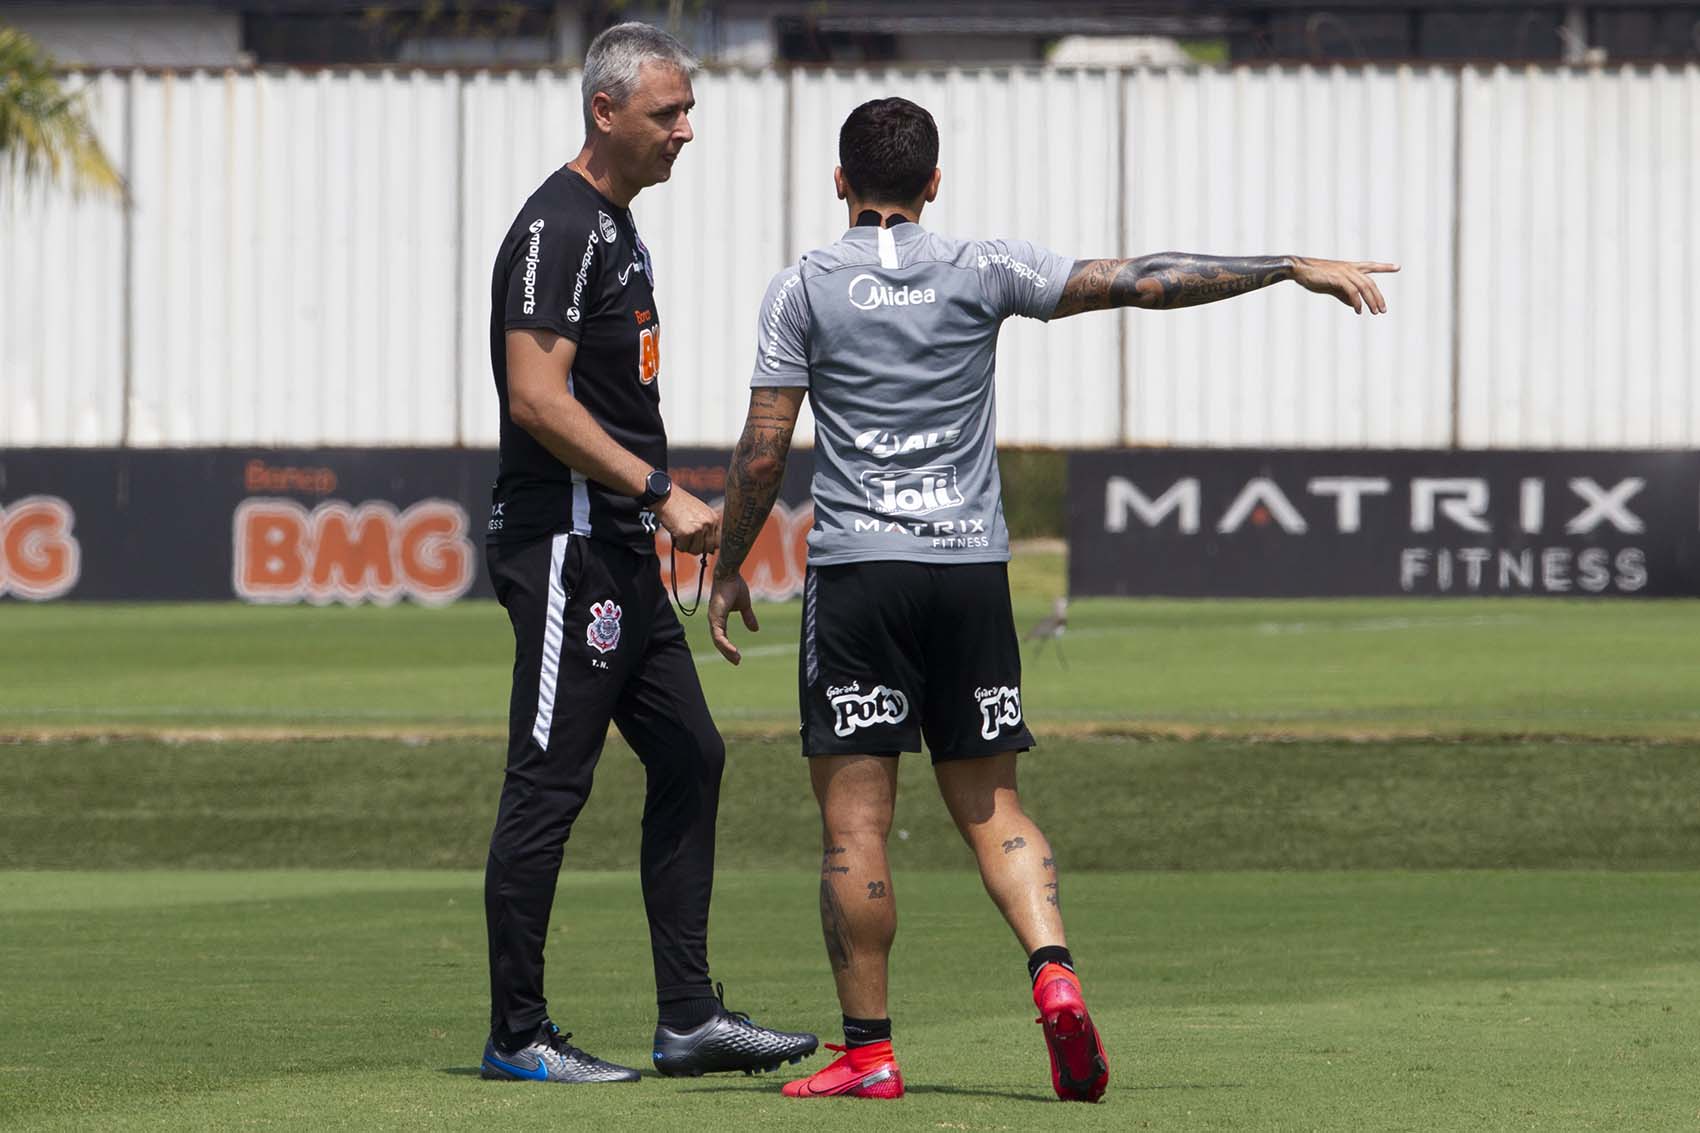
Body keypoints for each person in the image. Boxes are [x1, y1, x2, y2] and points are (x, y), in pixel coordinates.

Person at [706, 96, 1397, 1102]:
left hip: (861, 573)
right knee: (993, 804)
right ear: (934, 183)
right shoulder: (982, 266)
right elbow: (1142, 281)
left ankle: (870, 1051)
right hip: (969, 572)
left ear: (840, 183)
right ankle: (1053, 971)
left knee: (854, 827)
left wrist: (728, 561)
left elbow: (764, 446)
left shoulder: (800, 287)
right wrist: (1283, 264)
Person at [478, 22, 816, 1084]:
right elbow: (534, 397)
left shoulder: (618, 227)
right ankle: (518, 1034)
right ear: (604, 110)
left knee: (691, 757)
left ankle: (686, 1019)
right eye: (667, 111)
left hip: (616, 544)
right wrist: (659, 491)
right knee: (547, 784)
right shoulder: (557, 227)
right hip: (569, 543)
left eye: (688, 110)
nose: (684, 130)